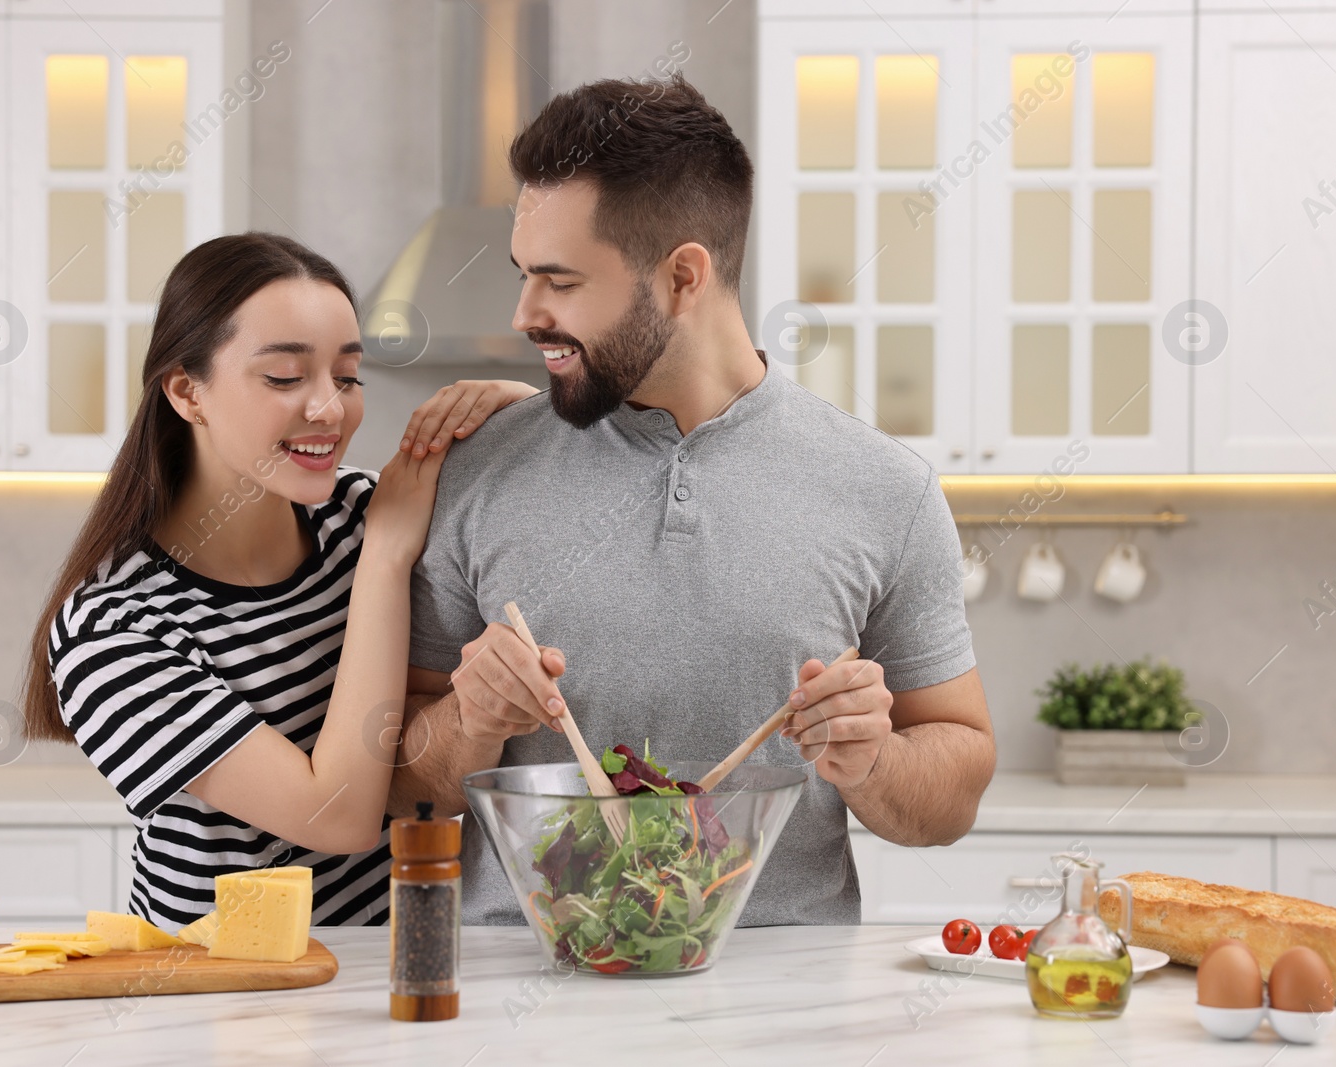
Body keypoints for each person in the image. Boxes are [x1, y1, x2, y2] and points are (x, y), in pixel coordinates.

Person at [388, 76, 996, 927]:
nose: (524, 312)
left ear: (683, 277)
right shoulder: (474, 470)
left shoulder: (887, 490)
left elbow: (954, 791)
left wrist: (877, 761)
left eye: (559, 281)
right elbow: (400, 781)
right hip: (523, 1005)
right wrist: (465, 722)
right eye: (525, 274)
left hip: (781, 1008)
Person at [21, 231, 538, 928]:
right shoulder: (111, 631)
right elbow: (341, 817)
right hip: (221, 991)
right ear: (187, 392)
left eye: (348, 376)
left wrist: (521, 409)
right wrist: (383, 559)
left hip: (388, 967)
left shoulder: (360, 515)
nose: (330, 408)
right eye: (286, 378)